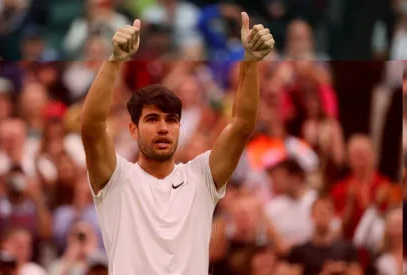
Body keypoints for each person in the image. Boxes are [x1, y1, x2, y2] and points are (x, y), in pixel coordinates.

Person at [79, 13, 275, 275]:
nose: (163, 128)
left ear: (180, 128)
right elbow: (91, 127)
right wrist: (115, 61)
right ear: (133, 130)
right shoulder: (116, 179)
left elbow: (241, 125)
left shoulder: (201, 177)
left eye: (171, 120)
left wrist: (250, 61)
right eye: (152, 119)